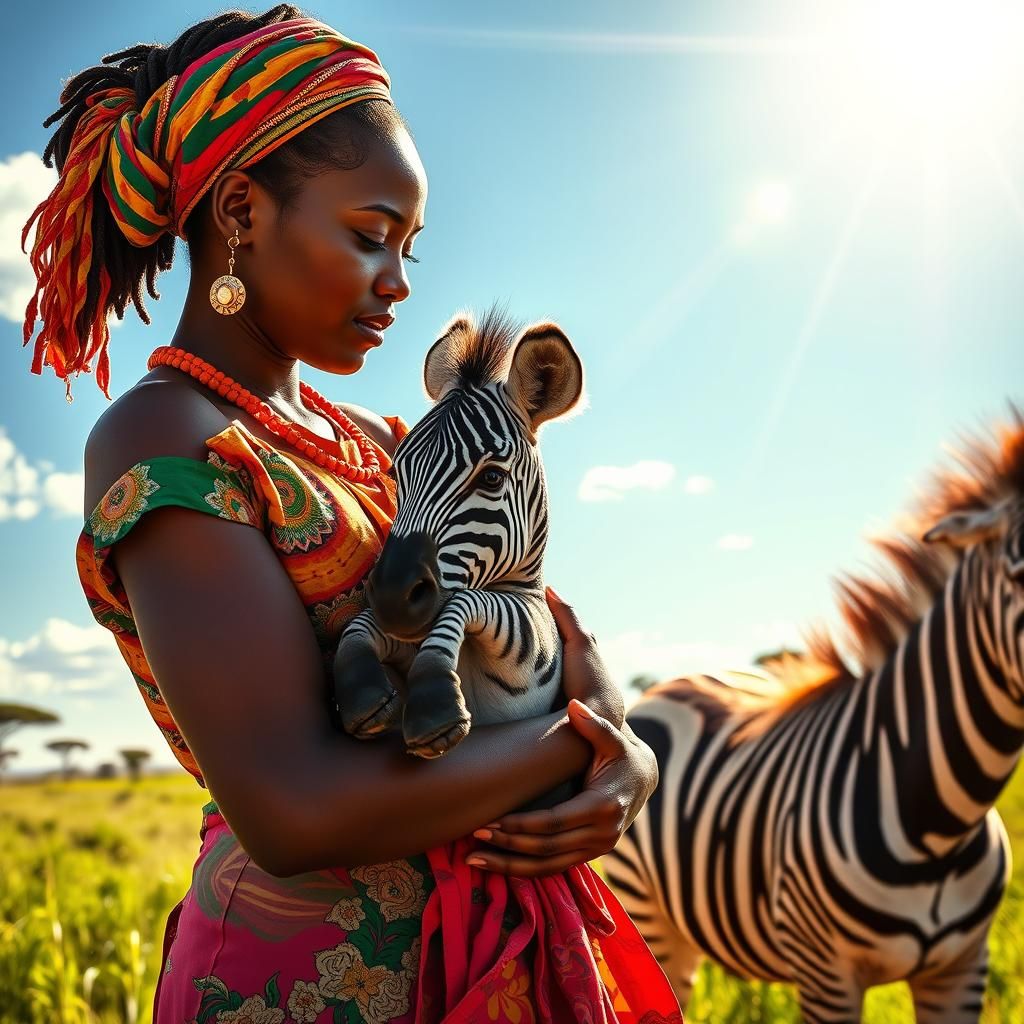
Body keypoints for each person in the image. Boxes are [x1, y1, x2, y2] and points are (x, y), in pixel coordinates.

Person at [23, 6, 685, 1022]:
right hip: (302, 985)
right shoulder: (164, 437)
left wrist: (626, 747)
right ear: (241, 211)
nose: (399, 282)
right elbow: (293, 809)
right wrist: (577, 746)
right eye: (371, 237)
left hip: (486, 959)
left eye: (410, 247)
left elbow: (538, 618)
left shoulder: (388, 440)